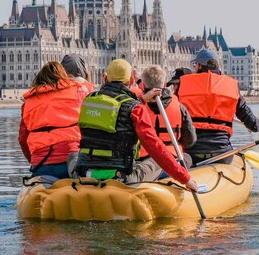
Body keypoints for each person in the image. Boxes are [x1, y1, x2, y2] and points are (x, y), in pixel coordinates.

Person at [75, 59, 197, 190]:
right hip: (120, 177)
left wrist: (142, 100)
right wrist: (185, 178)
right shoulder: (135, 108)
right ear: (132, 81)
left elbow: (115, 109)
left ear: (104, 78)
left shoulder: (88, 101)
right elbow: (154, 146)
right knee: (156, 162)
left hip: (84, 172)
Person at [181, 48, 259, 165]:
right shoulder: (231, 87)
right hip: (222, 153)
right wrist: (250, 124)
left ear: (199, 66)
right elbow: (255, 126)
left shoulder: (184, 84)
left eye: (195, 65)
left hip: (192, 153)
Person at [19, 61, 90, 181]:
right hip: (71, 159)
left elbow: (22, 139)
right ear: (64, 77)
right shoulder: (78, 92)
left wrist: (33, 160)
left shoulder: (28, 104)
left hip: (42, 164)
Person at [136, 65, 196, 178]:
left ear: (143, 85)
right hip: (173, 158)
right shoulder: (179, 106)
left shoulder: (136, 106)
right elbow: (190, 140)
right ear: (164, 85)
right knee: (188, 157)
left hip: (143, 158)